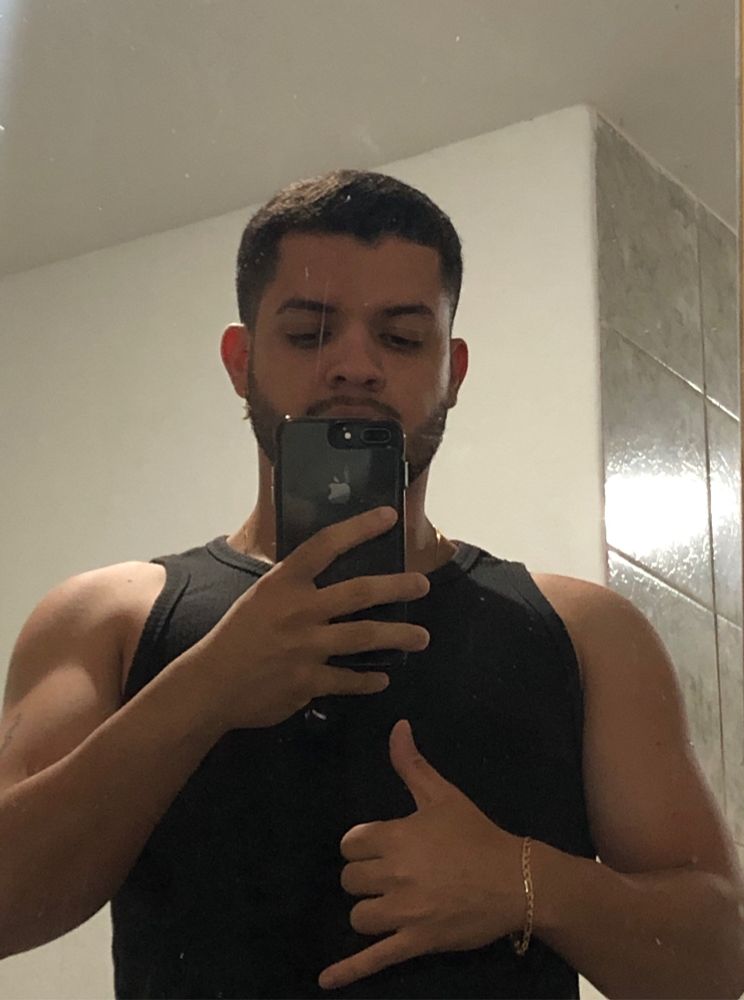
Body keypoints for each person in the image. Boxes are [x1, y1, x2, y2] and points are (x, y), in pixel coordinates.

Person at [1, 169, 743, 1000]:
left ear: (452, 370)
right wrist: (204, 689)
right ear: (241, 361)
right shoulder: (108, 617)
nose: (355, 366)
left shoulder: (585, 632)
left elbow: (719, 960)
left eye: (401, 338)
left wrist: (525, 882)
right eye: (308, 333)